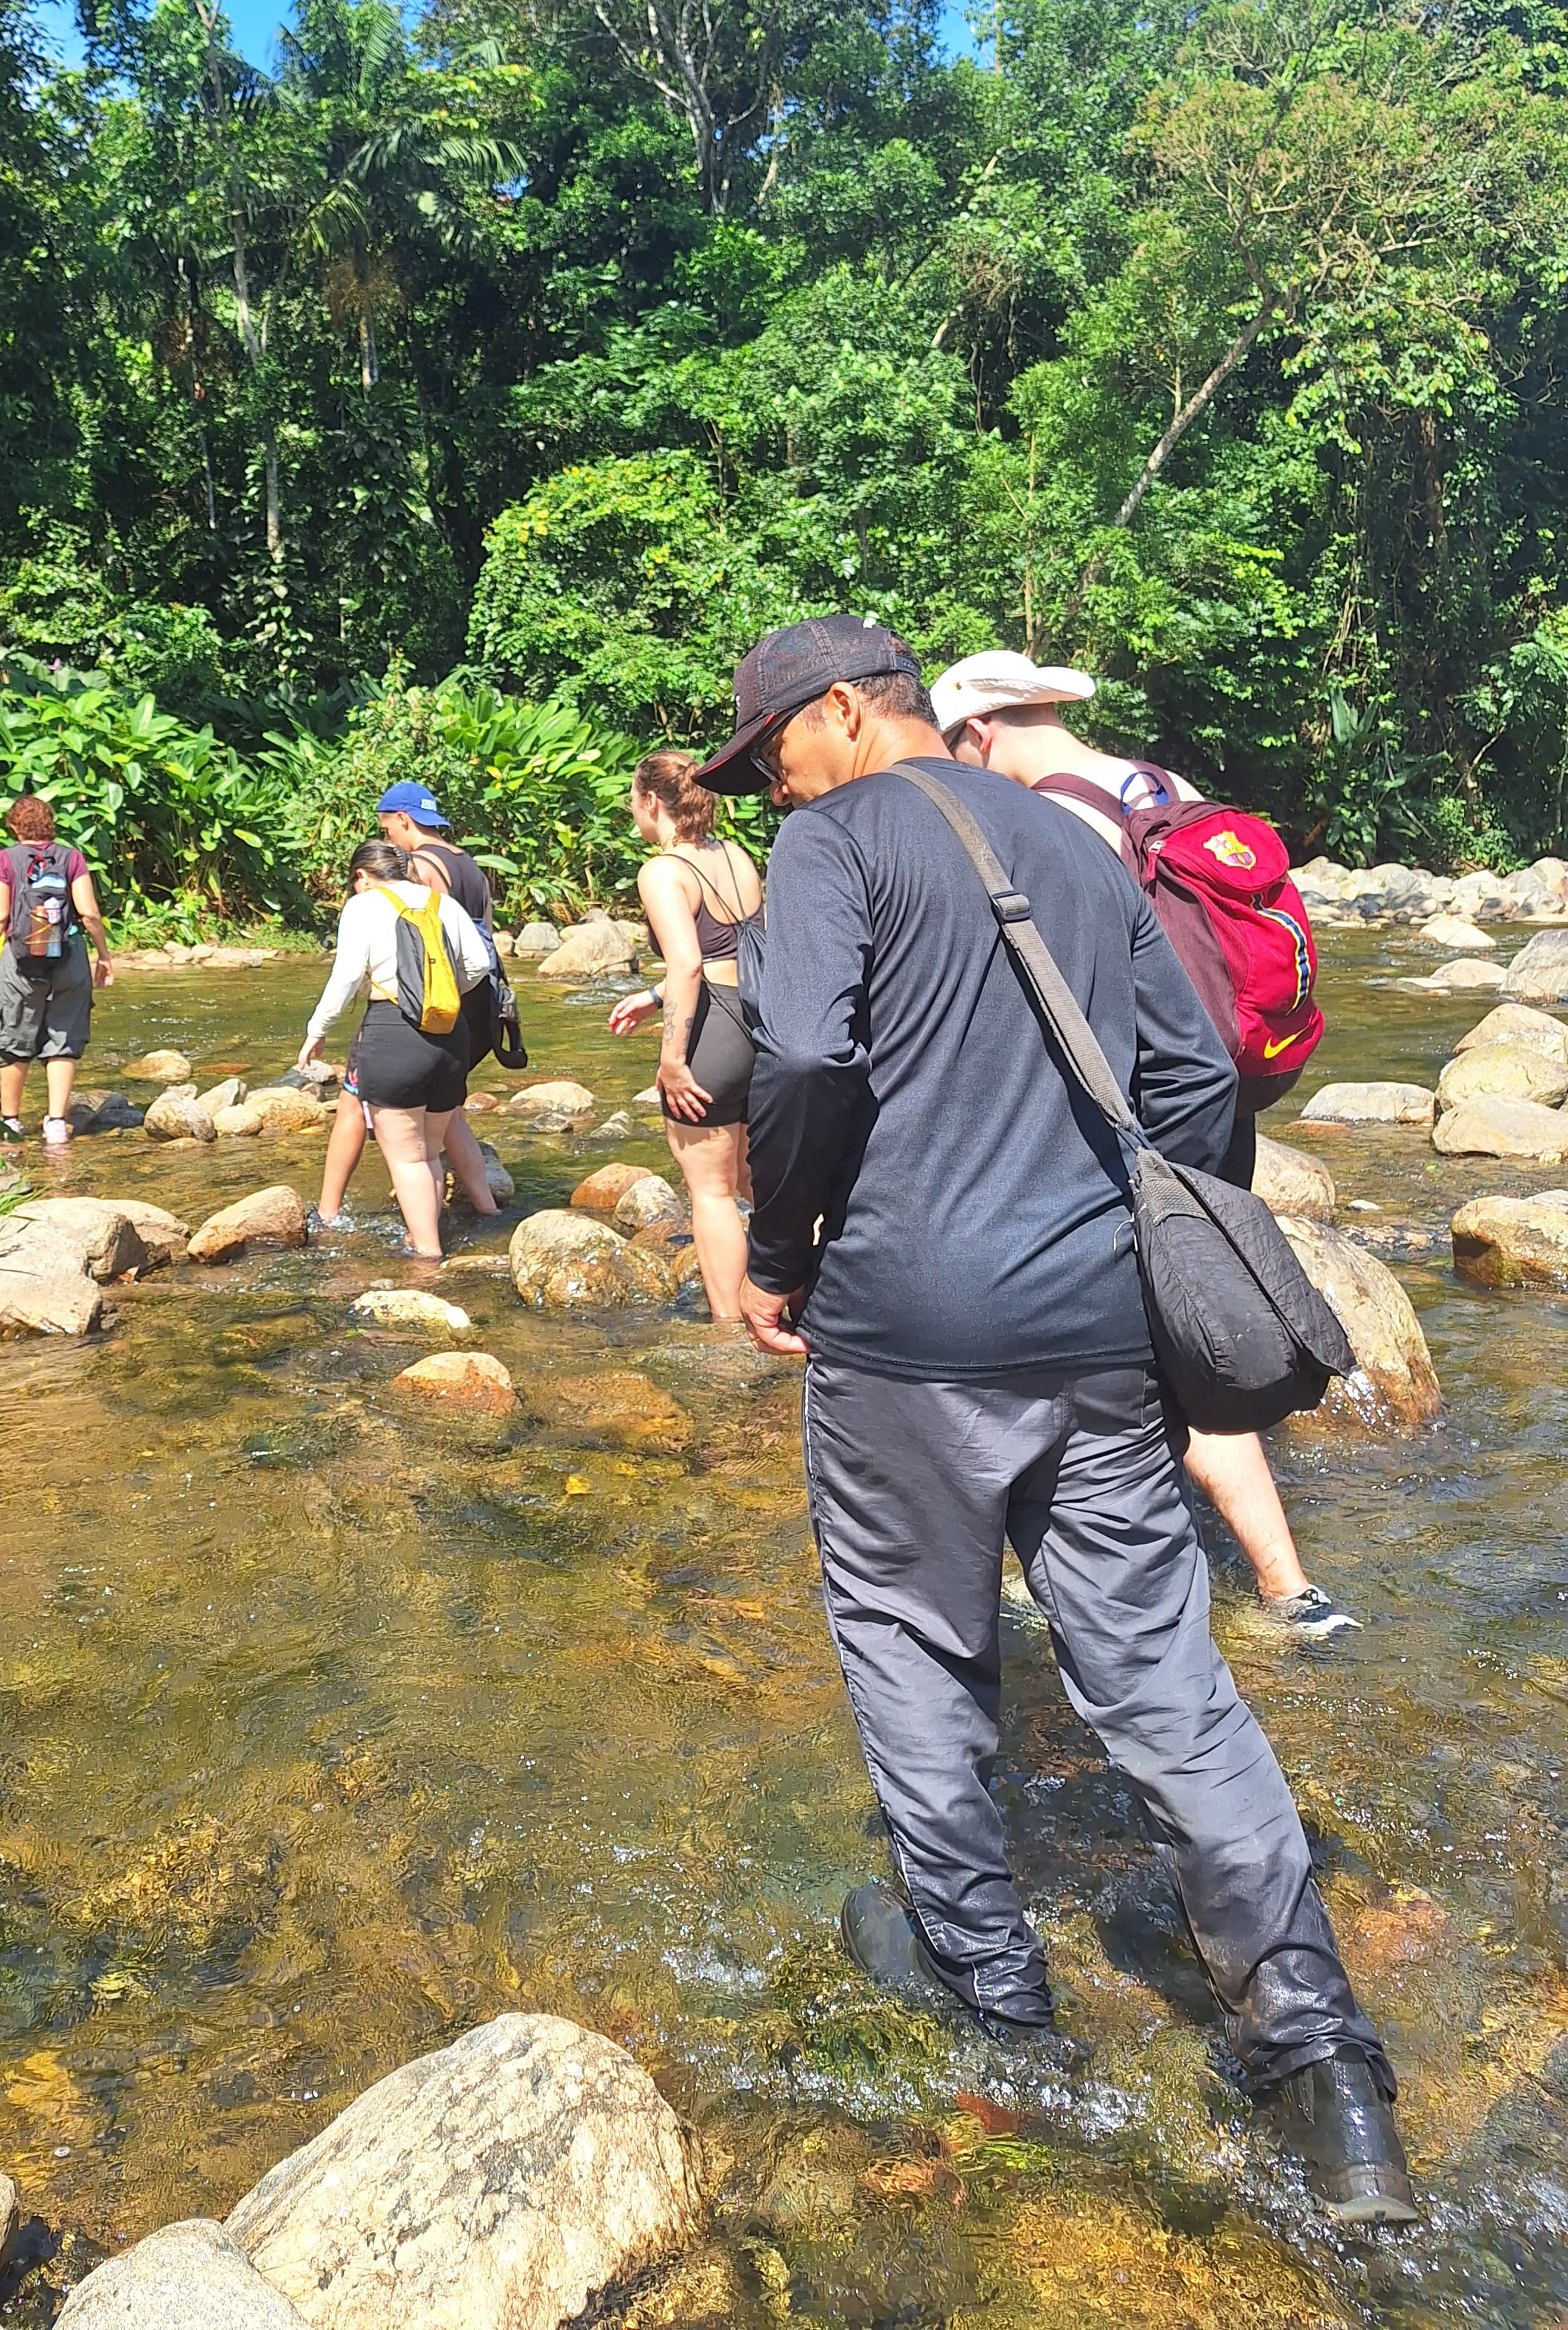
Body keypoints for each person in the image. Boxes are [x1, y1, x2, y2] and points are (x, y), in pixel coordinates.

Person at [697, 613, 1413, 2228]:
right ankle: (1325, 2073)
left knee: (915, 1652)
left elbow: (801, 1054)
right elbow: (1198, 1077)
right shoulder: (1080, 845)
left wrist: (783, 1247)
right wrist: (1104, 1236)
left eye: (773, 753)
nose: (770, 786)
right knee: (1168, 1682)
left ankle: (995, 2009)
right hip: (1096, 1336)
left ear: (836, 719)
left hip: (900, 1339)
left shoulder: (829, 848)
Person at [929, 650, 1350, 1644]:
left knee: (1114, 1351)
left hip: (1133, 1124)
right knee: (1194, 1334)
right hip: (1221, 1105)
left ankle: (1086, 1583)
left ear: (978, 734)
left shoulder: (1051, 826)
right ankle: (1292, 1592)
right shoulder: (1167, 791)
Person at [606, 751, 763, 1324]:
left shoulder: (663, 871)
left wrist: (673, 1058)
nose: (633, 812)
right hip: (758, 1024)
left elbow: (690, 965)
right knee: (754, 1179)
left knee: (713, 1193)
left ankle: (730, 1328)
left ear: (652, 802)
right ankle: (796, 1296)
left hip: (713, 1036)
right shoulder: (737, 856)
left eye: (633, 800)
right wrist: (652, 999)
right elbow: (738, 952)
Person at [296, 838, 493, 1261]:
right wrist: (438, 994)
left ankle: (428, 1256)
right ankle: (425, 1239)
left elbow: (347, 974)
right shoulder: (443, 904)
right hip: (452, 1035)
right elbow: (480, 964)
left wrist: (318, 1028)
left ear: (362, 877)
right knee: (428, 1151)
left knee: (406, 1159)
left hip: (393, 1032)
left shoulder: (363, 905)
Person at [0, 796, 112, 1147]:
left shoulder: (5, 860)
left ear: (14, 826)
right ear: (51, 824)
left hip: (19, 961)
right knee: (64, 1039)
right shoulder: (72, 858)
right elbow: (89, 913)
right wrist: (105, 956)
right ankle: (55, 1122)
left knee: (14, 1040)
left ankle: (12, 1122)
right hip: (70, 957)